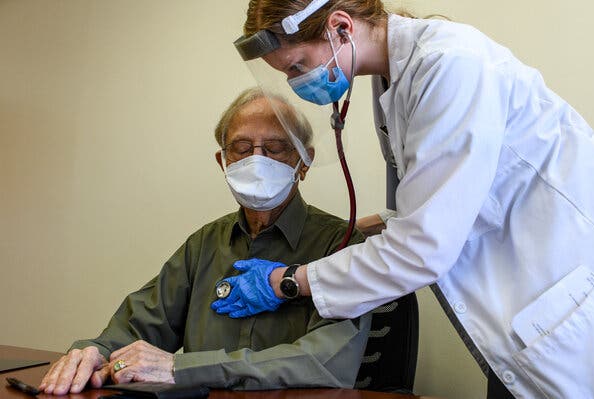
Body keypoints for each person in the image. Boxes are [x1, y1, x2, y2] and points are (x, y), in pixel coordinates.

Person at [211, 1, 594, 398]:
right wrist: (348, 229)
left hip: (564, 310)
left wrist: (286, 282)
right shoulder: (396, 78)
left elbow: (422, 246)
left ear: (340, 27)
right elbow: (434, 201)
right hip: (525, 321)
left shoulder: (450, 65)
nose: (297, 82)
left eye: (297, 66)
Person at [38, 87, 370, 395]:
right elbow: (140, 326)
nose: (258, 161)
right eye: (242, 149)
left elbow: (323, 362)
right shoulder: (204, 244)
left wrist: (183, 368)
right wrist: (93, 353)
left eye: (275, 148)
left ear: (305, 161)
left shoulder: (339, 245)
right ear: (222, 161)